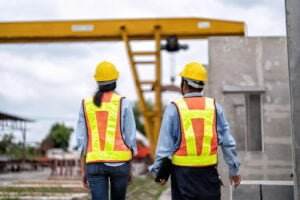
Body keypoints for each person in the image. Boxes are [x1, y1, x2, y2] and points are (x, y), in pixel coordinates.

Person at [150, 62, 241, 200]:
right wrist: (234, 170)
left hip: (183, 177)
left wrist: (159, 172)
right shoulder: (214, 107)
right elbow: (228, 143)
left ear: (184, 84)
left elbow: (165, 146)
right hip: (209, 174)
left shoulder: (174, 108)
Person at [76, 61, 137, 200]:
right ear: (115, 81)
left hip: (94, 163)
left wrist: (83, 168)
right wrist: (129, 167)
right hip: (120, 163)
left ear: (97, 81)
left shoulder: (86, 104)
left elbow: (81, 140)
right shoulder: (123, 102)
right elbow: (130, 138)